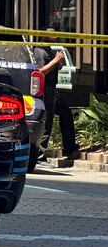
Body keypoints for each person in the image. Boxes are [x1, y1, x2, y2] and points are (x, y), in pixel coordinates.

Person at [35, 23, 79, 162]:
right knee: (47, 122)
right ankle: (39, 154)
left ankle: (69, 148)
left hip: (53, 90)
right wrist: (56, 60)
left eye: (56, 33)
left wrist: (57, 63)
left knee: (65, 114)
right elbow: (40, 71)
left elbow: (54, 67)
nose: (55, 35)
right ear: (43, 36)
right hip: (45, 90)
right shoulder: (40, 51)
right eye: (51, 33)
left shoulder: (50, 50)